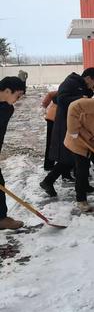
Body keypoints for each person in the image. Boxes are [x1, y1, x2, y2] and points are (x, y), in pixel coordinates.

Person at [40, 68, 94, 197]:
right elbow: (61, 99)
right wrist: (81, 97)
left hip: (76, 123)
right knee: (70, 157)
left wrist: (89, 91)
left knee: (77, 157)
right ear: (88, 77)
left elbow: (86, 100)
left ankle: (82, 184)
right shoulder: (70, 82)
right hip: (65, 124)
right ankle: (48, 181)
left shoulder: (81, 85)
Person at [0, 77, 26, 230]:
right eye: (18, 95)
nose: (18, 99)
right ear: (7, 91)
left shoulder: (7, 109)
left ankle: (1, 218)